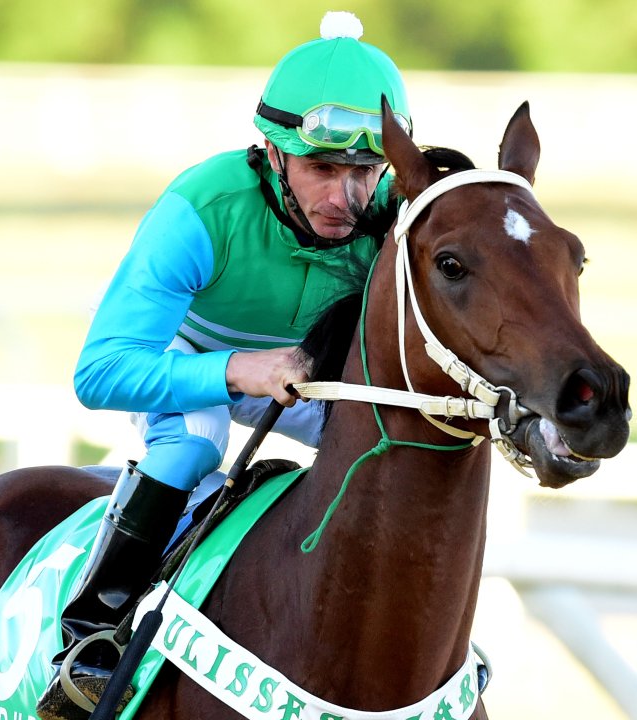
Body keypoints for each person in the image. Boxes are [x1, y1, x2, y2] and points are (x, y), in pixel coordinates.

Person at [35, 11, 412, 720]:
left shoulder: (391, 215)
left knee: (392, 444)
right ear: (272, 154)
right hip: (184, 357)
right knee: (195, 439)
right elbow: (100, 372)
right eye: (322, 169)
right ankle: (92, 636)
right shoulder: (202, 207)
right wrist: (237, 369)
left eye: (365, 171)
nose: (346, 199)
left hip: (300, 372)